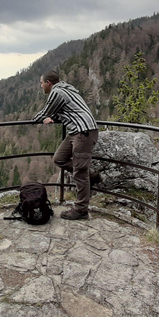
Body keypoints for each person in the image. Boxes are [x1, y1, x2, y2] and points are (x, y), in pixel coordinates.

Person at [33, 70, 99, 220]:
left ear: (48, 83)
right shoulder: (66, 89)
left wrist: (41, 117)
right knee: (59, 158)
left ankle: (81, 210)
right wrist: (53, 117)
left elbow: (43, 114)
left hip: (84, 133)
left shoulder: (57, 93)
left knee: (79, 172)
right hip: (76, 131)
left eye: (41, 83)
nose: (40, 86)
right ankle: (93, 176)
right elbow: (66, 110)